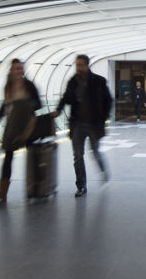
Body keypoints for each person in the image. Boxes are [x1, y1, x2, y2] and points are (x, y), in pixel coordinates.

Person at [54, 54, 113, 198]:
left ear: (87, 65)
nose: (78, 68)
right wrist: (59, 109)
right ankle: (81, 186)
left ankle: (102, 169)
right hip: (77, 124)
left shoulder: (99, 81)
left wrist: (104, 117)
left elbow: (108, 100)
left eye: (81, 65)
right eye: (77, 65)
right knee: (78, 156)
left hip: (93, 124)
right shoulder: (73, 81)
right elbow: (66, 97)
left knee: (94, 152)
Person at [0, 59, 42, 202]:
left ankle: (36, 188)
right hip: (13, 126)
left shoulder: (29, 85)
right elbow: (6, 105)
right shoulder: (8, 86)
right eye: (15, 68)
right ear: (11, 71)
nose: (18, 71)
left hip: (28, 126)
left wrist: (26, 106)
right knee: (8, 158)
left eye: (20, 68)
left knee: (32, 158)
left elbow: (38, 104)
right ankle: (2, 191)